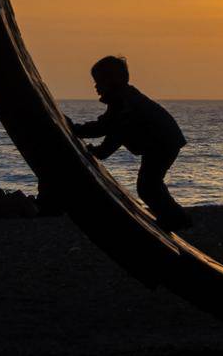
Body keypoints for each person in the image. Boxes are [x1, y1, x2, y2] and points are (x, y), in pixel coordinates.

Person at [68, 56, 191, 231]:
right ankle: (175, 217)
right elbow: (111, 128)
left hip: (162, 141)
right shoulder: (123, 100)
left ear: (113, 80)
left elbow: (111, 130)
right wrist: (96, 146)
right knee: (151, 183)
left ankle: (176, 219)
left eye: (99, 82)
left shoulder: (124, 102)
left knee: (148, 185)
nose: (96, 87)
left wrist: (84, 136)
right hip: (162, 141)